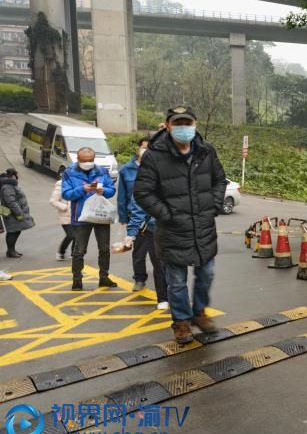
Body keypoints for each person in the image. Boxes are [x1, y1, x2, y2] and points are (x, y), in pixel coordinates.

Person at [134, 106, 227, 345]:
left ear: (195, 124)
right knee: (176, 282)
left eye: (187, 123)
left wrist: (214, 205)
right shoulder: (154, 156)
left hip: (203, 229)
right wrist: (167, 214)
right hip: (172, 231)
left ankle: (199, 313)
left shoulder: (206, 151)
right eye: (178, 123)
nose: (183, 128)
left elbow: (219, 180)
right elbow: (143, 193)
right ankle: (181, 322)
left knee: (206, 274)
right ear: (167, 126)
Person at [118, 138, 168, 309]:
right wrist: (129, 229)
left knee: (163, 264)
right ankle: (143, 281)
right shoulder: (131, 173)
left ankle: (165, 297)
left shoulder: (169, 173)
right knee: (143, 256)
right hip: (146, 226)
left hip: (169, 228)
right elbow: (134, 203)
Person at [62, 147, 117, 291]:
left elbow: (112, 190)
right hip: (80, 217)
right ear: (78, 159)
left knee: (104, 249)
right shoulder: (69, 173)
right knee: (79, 251)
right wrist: (82, 190)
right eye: (84, 160)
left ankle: (104, 277)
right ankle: (77, 280)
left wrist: (103, 190)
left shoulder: (102, 171)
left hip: (100, 215)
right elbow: (66, 194)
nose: (88, 163)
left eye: (91, 160)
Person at [0, 168, 35, 258]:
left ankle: (12, 250)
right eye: (16, 175)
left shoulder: (10, 185)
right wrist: (19, 213)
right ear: (13, 176)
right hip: (12, 213)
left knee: (16, 231)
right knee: (13, 231)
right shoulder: (8, 186)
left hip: (15, 213)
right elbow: (11, 201)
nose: (18, 177)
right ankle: (10, 251)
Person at [50, 170, 73, 261]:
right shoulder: (60, 186)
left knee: (78, 235)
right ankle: (61, 252)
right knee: (71, 235)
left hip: (77, 214)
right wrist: (65, 207)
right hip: (65, 215)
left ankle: (74, 253)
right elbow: (53, 200)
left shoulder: (77, 184)